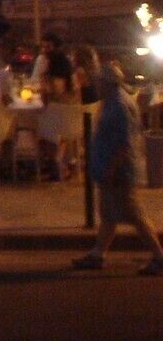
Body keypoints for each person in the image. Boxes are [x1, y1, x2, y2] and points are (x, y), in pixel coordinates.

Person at [71, 58, 163, 275]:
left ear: (107, 83)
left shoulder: (119, 106)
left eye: (99, 82)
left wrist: (111, 170)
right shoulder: (114, 101)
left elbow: (124, 143)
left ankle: (159, 256)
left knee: (135, 216)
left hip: (119, 172)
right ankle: (97, 254)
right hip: (110, 170)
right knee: (109, 215)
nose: (95, 85)